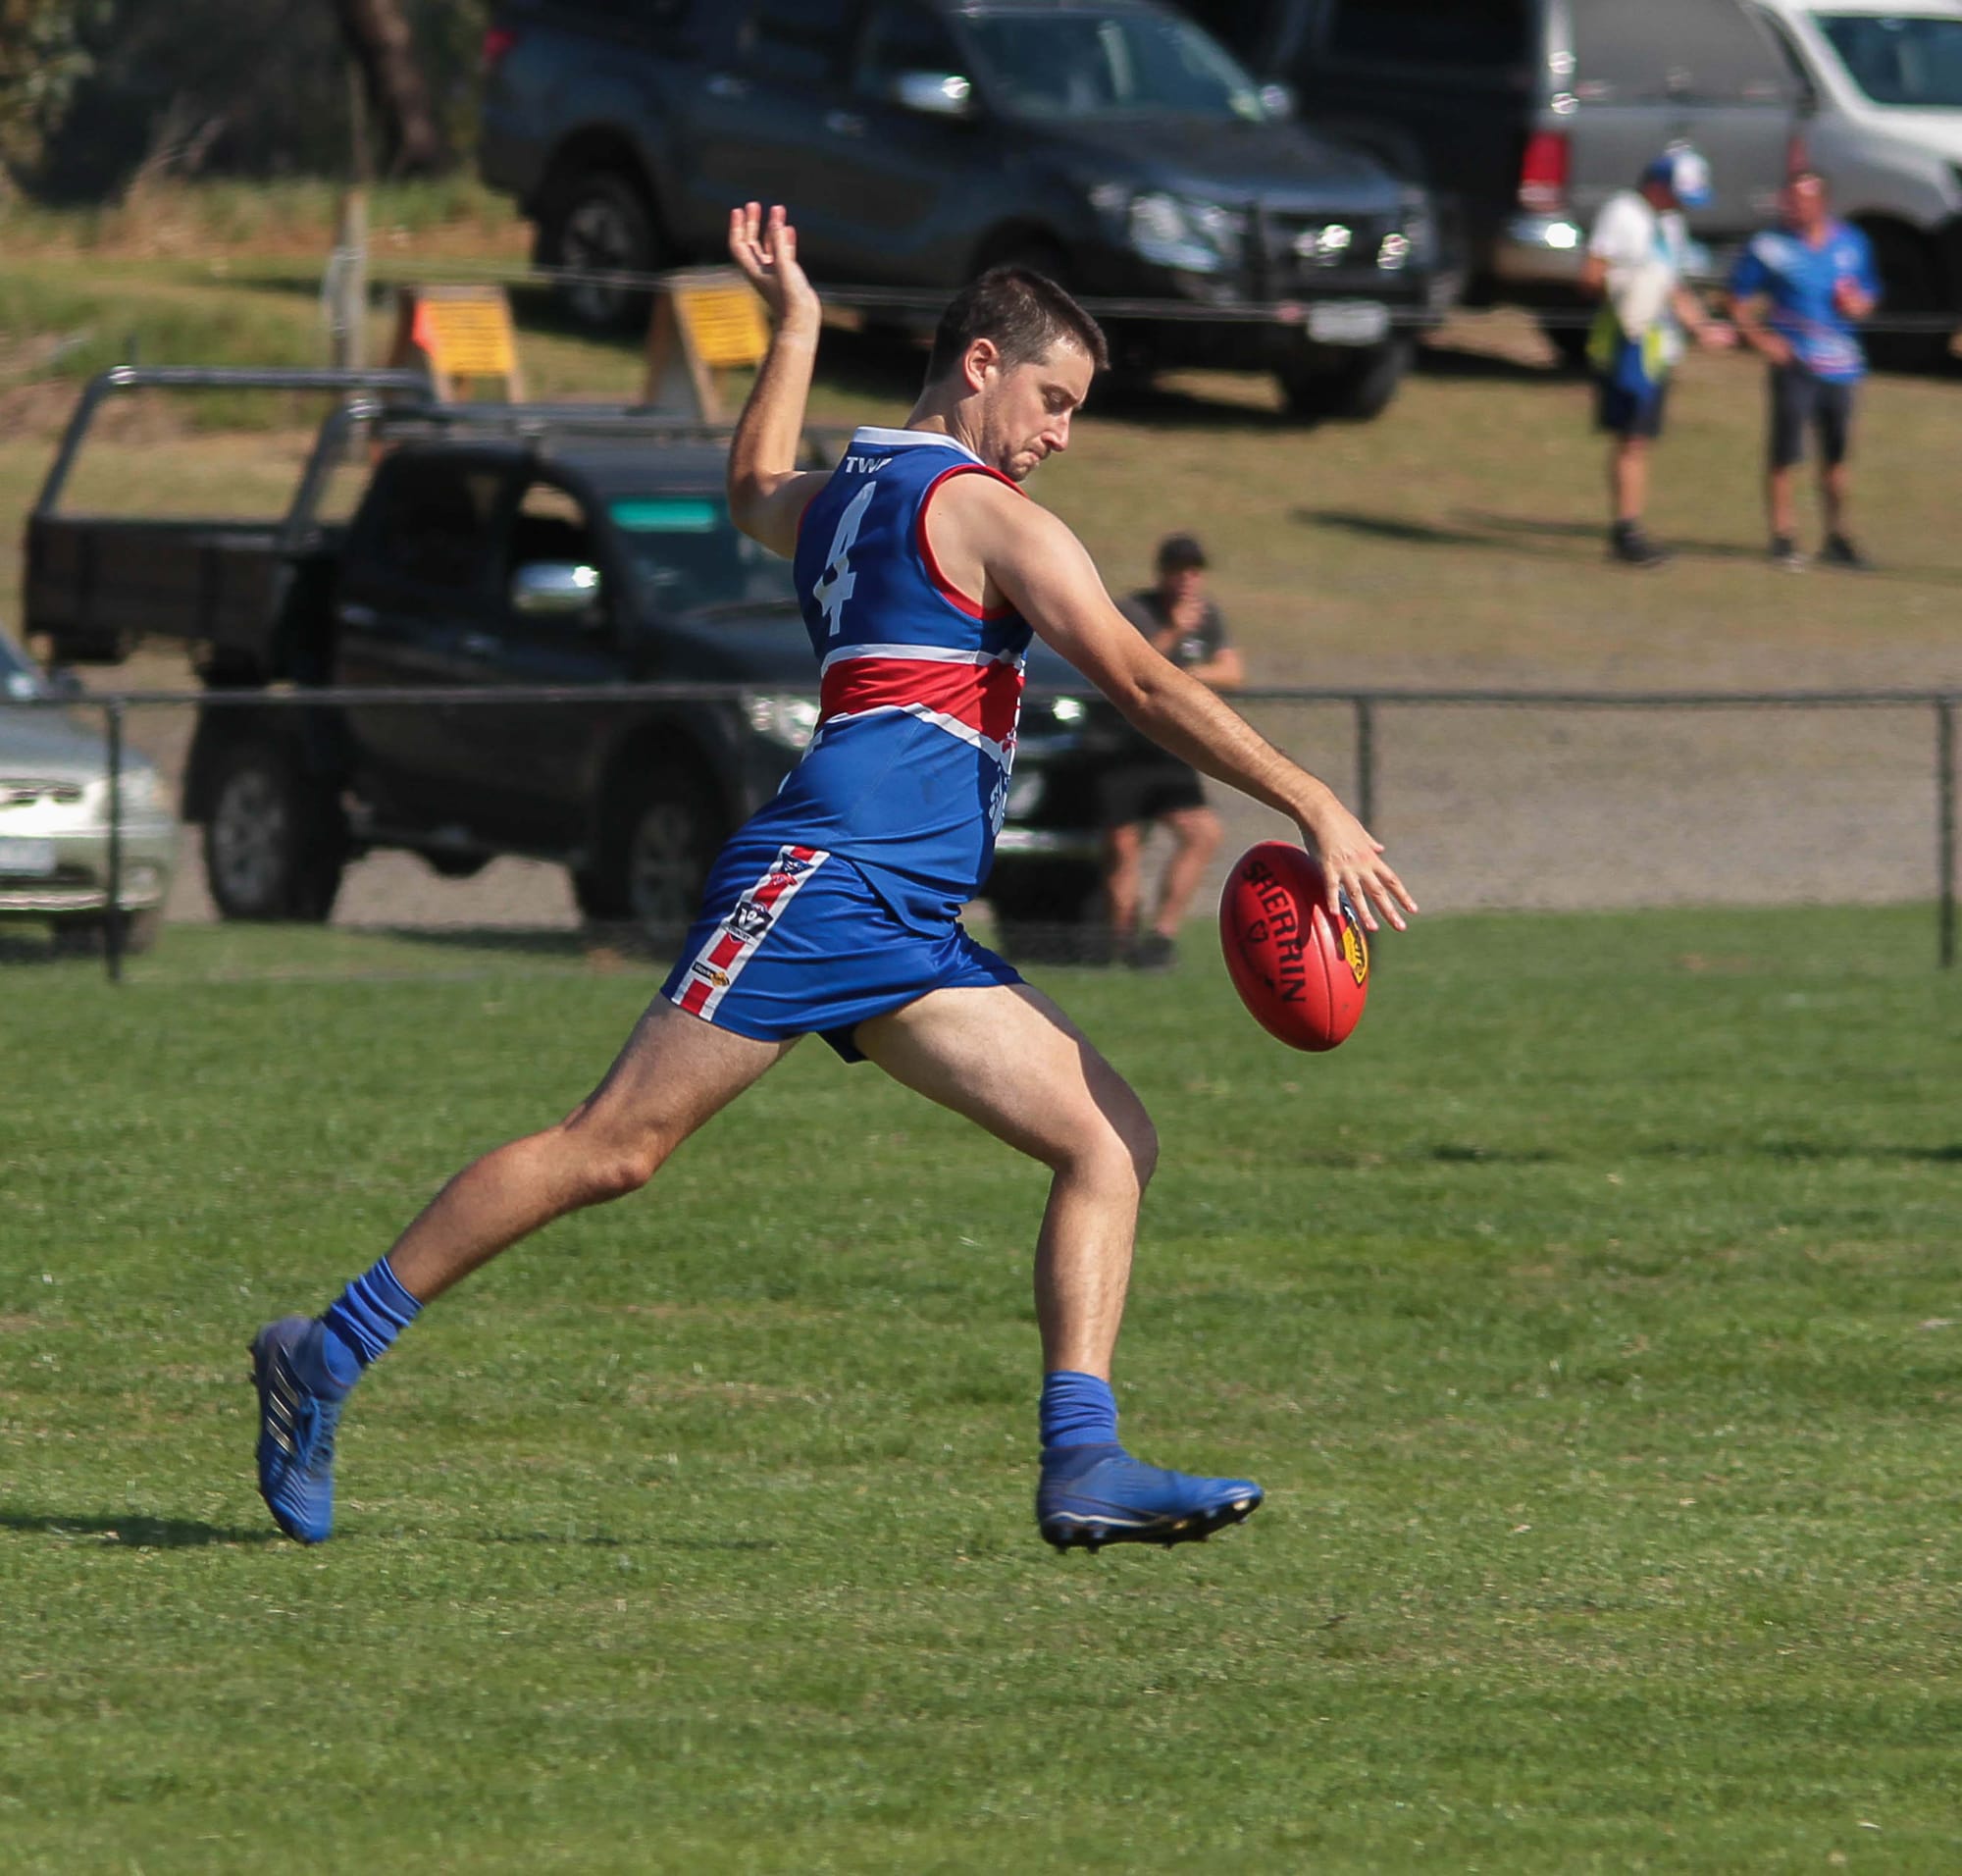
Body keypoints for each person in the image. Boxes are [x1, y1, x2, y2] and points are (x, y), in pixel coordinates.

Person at [250, 203, 1415, 1555]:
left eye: (1077, 410)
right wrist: (1311, 799)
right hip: (828, 881)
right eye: (1052, 396)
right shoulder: (984, 514)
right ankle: (324, 1353)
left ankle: (1082, 1460)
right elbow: (1144, 675)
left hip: (905, 918)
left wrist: (793, 328)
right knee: (613, 1148)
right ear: (978, 362)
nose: (1061, 433)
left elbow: (749, 489)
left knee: (1109, 1142)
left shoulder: (853, 494)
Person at [1580, 145, 1733, 567]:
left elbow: (1672, 287)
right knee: (1631, 437)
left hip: (1657, 349)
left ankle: (1630, 525)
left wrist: (1702, 326)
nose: (1682, 204)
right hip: (1626, 342)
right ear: (1657, 184)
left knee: (1641, 439)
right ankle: (1626, 530)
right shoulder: (1622, 213)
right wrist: (1628, 287)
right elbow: (1592, 275)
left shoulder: (1671, 224)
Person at [1099, 532, 1246, 970]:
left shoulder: (1209, 615)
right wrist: (1174, 633)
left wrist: (1183, 673)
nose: (1187, 579)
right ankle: (1121, 946)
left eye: (1194, 570)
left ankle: (1161, 936)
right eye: (1178, 570)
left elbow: (1233, 671)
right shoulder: (1134, 611)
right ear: (1162, 572)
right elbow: (1131, 665)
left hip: (1170, 749)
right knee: (1122, 848)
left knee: (1203, 833)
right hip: (1123, 749)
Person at [1728, 171, 1882, 572]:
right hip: (1795, 364)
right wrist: (1763, 341)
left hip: (1842, 366)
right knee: (1786, 453)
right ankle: (1783, 536)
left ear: (1821, 203)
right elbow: (1736, 300)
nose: (1794, 207)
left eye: (1803, 200)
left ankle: (1838, 536)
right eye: (1790, 199)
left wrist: (1857, 305)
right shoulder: (1769, 247)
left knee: (1836, 456)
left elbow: (1868, 296)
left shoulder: (1852, 243)